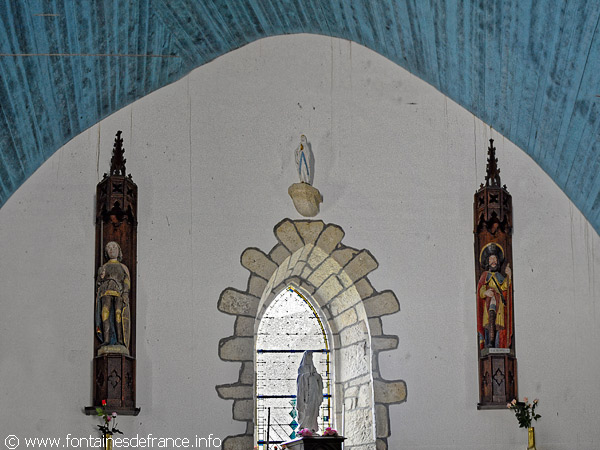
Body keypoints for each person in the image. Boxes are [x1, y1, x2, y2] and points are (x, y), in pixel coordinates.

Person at [95, 241, 130, 351]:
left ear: (119, 250)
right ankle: (106, 339)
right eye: (109, 248)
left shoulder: (122, 267)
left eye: (114, 247)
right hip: (105, 292)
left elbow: (126, 281)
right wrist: (101, 277)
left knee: (118, 313)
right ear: (106, 252)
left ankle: (120, 339)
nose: (111, 250)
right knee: (105, 313)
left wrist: (125, 293)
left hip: (118, 292)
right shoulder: (104, 267)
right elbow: (98, 284)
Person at [477, 243, 512, 349]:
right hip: (488, 303)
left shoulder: (498, 276)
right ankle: (489, 342)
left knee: (498, 325)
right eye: (491, 259)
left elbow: (505, 286)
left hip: (499, 303)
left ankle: (498, 345)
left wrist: (508, 276)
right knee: (489, 323)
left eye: (495, 259)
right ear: (487, 261)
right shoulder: (485, 275)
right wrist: (485, 292)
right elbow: (481, 289)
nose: (493, 261)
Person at [296, 351, 323, 432]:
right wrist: (306, 375)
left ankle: (312, 428)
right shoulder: (302, 368)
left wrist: (317, 376)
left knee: (313, 410)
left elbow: (319, 379)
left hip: (314, 393)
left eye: (311, 356)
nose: (310, 357)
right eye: (308, 356)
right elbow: (300, 380)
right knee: (305, 410)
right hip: (305, 394)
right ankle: (304, 428)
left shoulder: (313, 369)